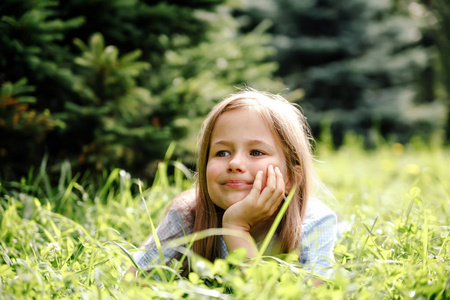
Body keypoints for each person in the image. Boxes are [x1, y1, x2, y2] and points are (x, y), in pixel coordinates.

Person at [130, 89, 337, 278]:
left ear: (291, 177)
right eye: (222, 152)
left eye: (256, 152)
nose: (235, 163)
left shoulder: (314, 222)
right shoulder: (187, 214)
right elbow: (132, 281)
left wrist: (235, 228)